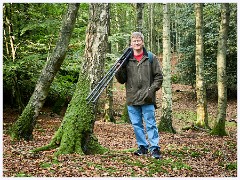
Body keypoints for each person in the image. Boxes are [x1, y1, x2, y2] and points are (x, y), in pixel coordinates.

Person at [115, 32, 163, 159]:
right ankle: (143, 147)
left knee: (151, 124)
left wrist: (151, 90)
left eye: (138, 41)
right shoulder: (126, 59)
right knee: (137, 125)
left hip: (147, 98)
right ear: (131, 43)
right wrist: (119, 69)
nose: (136, 43)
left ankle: (155, 148)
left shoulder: (151, 57)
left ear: (142, 42)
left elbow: (159, 77)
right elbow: (121, 80)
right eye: (134, 41)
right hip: (132, 98)